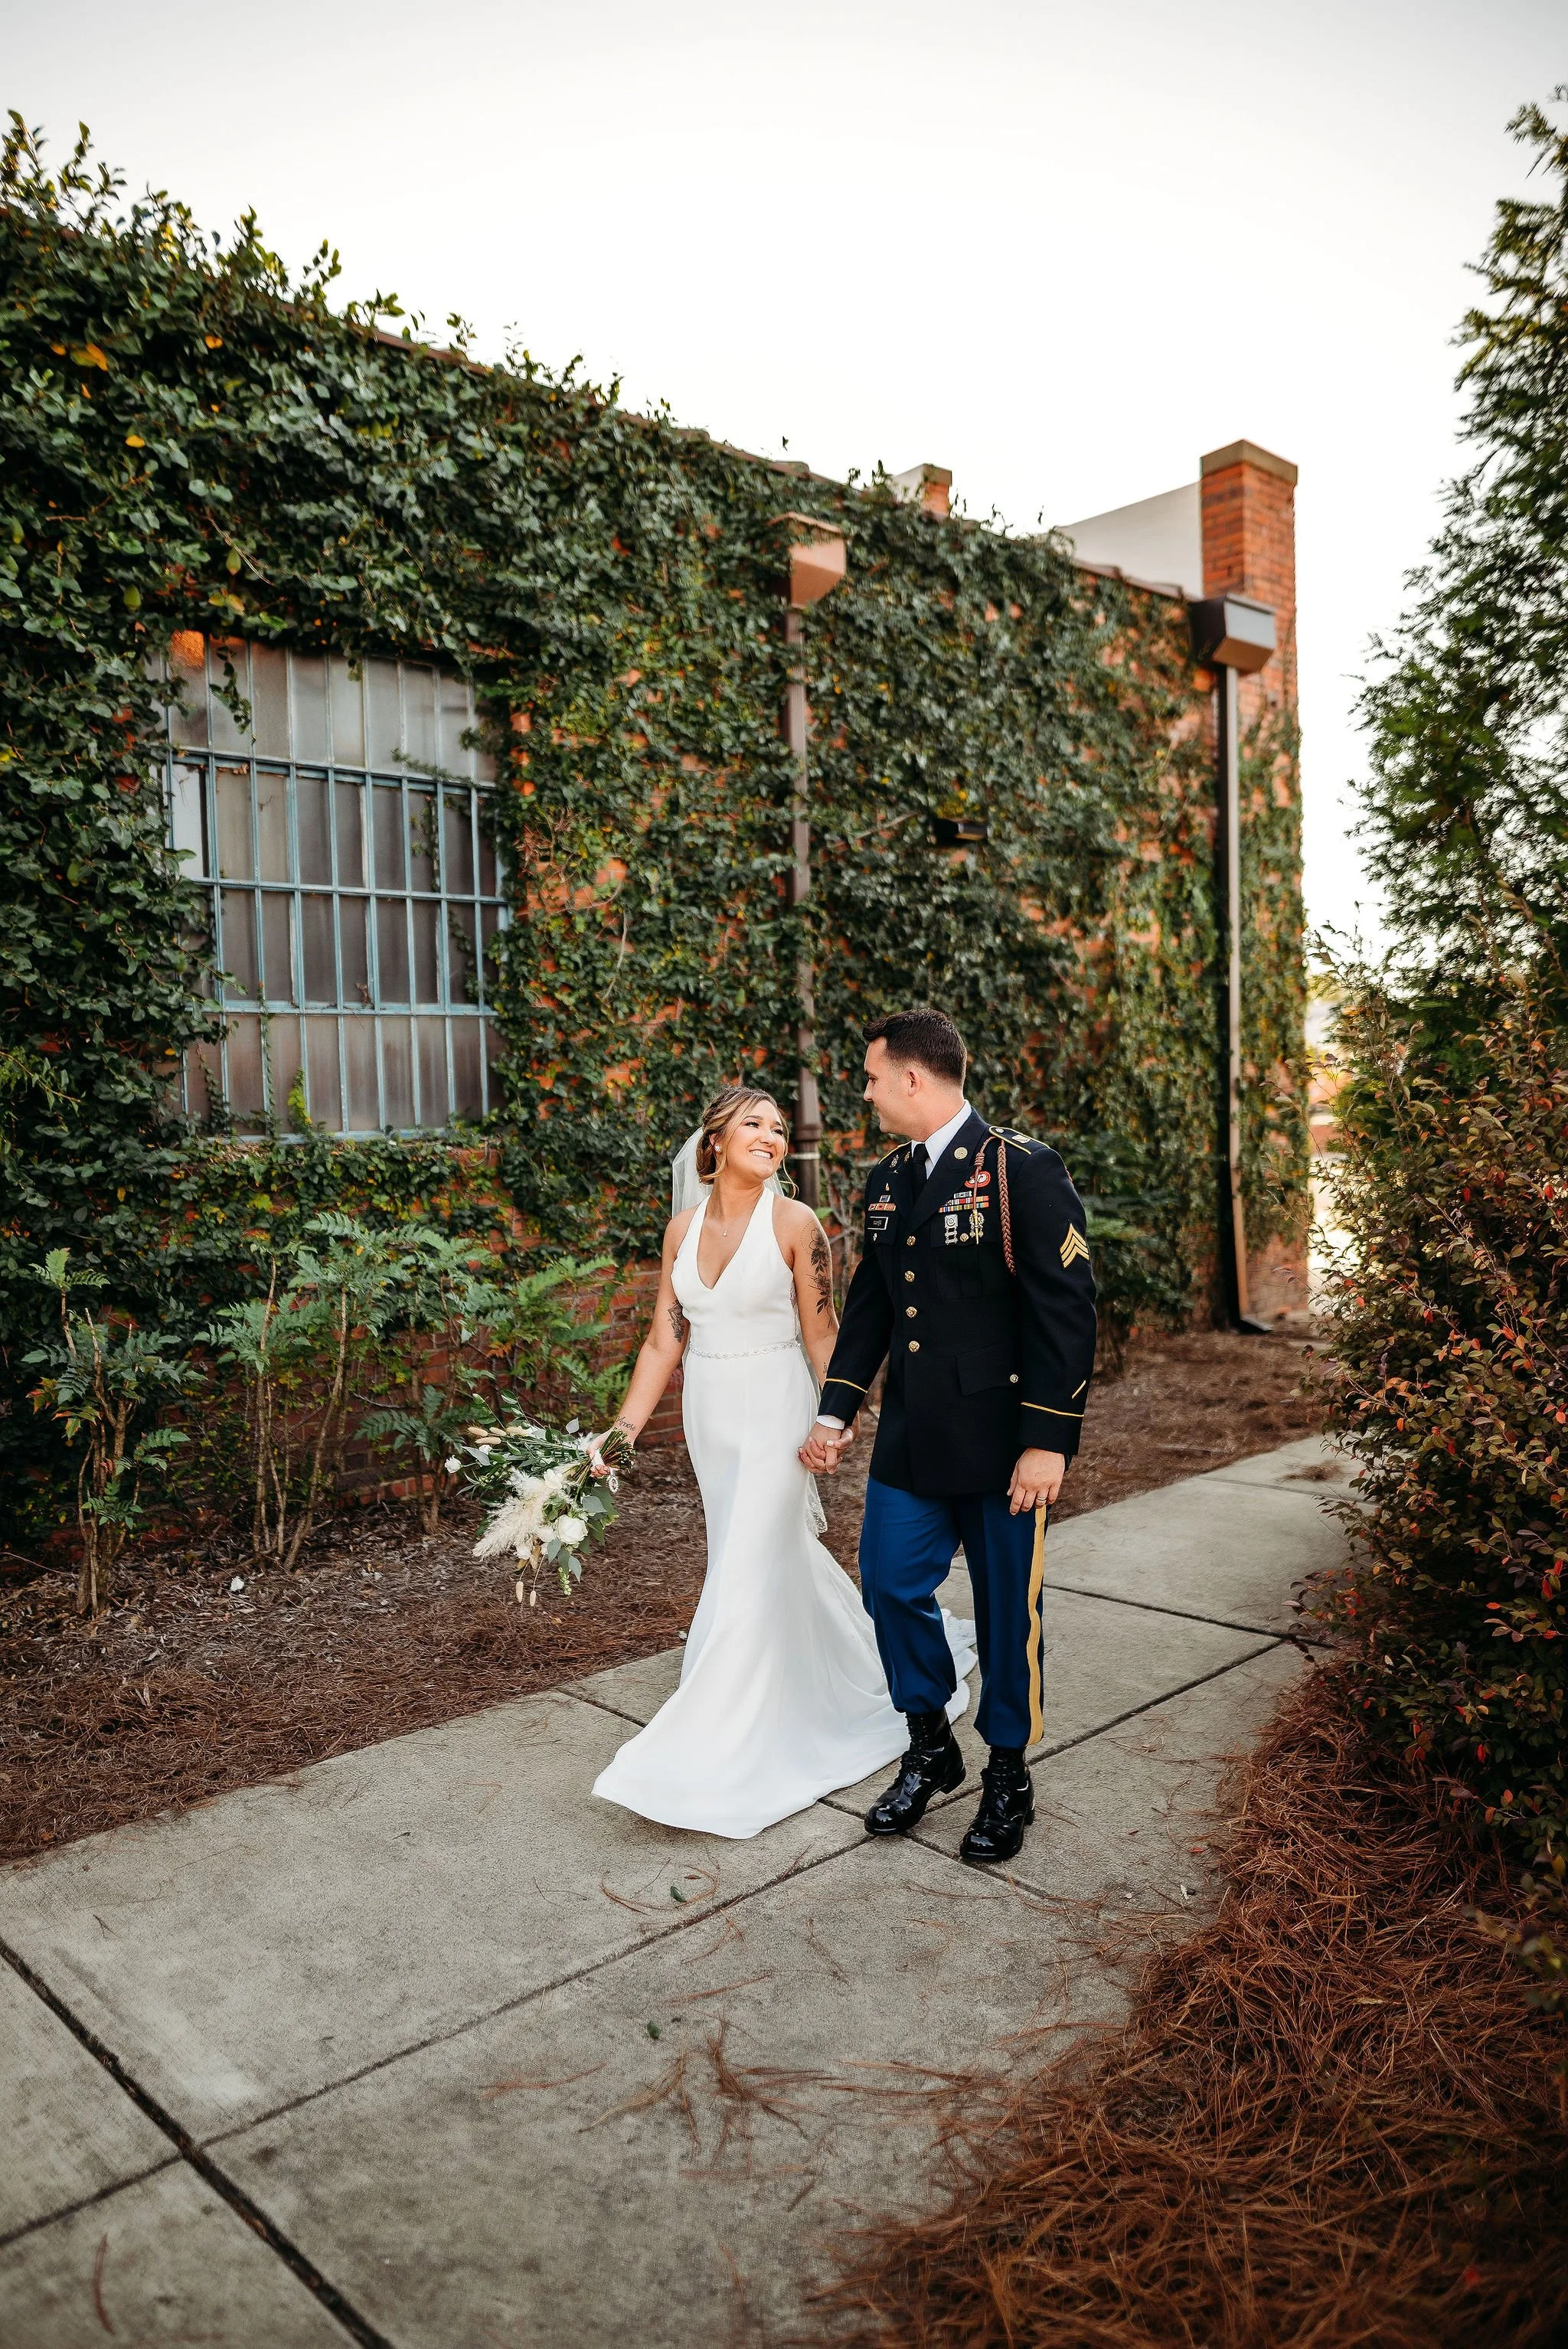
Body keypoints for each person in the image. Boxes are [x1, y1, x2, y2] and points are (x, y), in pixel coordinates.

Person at [589, 1084, 975, 1839]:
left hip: (774, 1407)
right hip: (709, 1412)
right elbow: (662, 1341)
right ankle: (846, 1669)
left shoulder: (797, 1223)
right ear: (715, 1142)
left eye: (775, 1125)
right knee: (750, 1556)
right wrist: (622, 1431)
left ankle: (708, 1743)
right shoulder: (679, 1230)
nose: (770, 1135)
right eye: (752, 1124)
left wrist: (839, 1413)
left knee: (746, 1563)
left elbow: (825, 1333)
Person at [799, 1008, 1097, 1865]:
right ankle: (930, 1742)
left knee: (1009, 1612)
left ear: (912, 1078)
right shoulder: (885, 1179)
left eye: (868, 1075)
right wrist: (836, 1408)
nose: (863, 1090)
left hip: (1006, 1445)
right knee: (888, 1586)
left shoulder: (1019, 1170)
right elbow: (873, 1309)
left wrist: (1048, 1439)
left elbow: (1066, 1310)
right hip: (915, 1437)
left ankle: (1008, 1773)